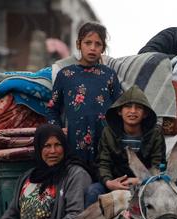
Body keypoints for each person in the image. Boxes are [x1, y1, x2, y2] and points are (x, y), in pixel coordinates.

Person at [48, 22, 123, 167]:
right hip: (74, 142)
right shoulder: (66, 74)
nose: (92, 48)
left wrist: (116, 135)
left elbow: (119, 108)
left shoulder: (109, 75)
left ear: (103, 48)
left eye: (98, 44)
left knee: (103, 180)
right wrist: (57, 131)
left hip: (105, 142)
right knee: (78, 177)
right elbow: (52, 108)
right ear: (78, 44)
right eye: (88, 43)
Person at [84, 85, 166, 206]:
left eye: (138, 108)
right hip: (114, 183)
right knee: (93, 191)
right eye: (128, 106)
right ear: (119, 111)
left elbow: (158, 166)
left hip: (146, 184)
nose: (132, 111)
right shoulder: (108, 132)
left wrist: (141, 180)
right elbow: (103, 163)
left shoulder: (155, 134)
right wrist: (109, 182)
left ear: (145, 113)